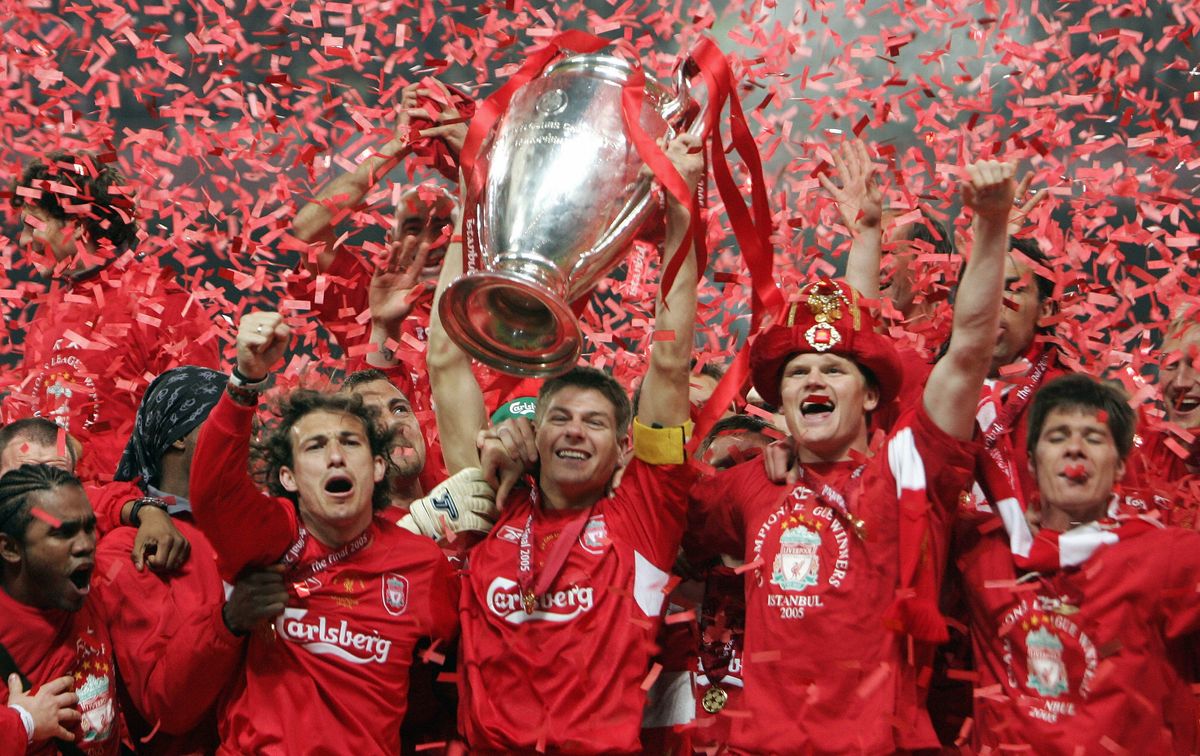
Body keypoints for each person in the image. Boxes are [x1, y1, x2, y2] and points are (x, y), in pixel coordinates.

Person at [688, 159, 1017, 752]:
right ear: (781, 401)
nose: (814, 379)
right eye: (798, 373)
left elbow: (968, 351)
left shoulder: (909, 472)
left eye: (832, 371)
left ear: (869, 396)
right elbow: (652, 491)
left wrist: (992, 225)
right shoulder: (750, 485)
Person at [427, 133, 703, 752]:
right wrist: (476, 204)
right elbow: (446, 357)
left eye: (597, 422)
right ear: (536, 428)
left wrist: (683, 207)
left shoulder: (644, 517)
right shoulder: (489, 500)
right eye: (561, 418)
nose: (575, 430)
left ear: (626, 449)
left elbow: (671, 365)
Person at [189, 311, 460, 755]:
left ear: (376, 468)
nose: (335, 456)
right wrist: (244, 382)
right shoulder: (274, 538)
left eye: (351, 443)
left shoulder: (423, 565)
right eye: (315, 446)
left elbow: (475, 650)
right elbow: (214, 495)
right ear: (289, 476)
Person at [957, 373, 1200, 752]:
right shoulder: (984, 550)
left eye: (1093, 438)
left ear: (1120, 467)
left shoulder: (1170, 557)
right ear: (1033, 463)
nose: (1075, 449)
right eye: (1057, 437)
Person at [6, 151, 224, 482]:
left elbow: (194, 438)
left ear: (76, 227)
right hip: (43, 510)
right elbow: (29, 409)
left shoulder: (168, 307)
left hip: (126, 519)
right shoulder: (52, 304)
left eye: (31, 225)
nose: (23, 240)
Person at [98, 366, 280, 754]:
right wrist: (229, 620)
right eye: (225, 417)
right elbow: (166, 707)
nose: (246, 432)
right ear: (178, 436)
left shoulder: (270, 525)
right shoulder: (128, 548)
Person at [0, 464, 122, 754]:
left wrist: (146, 508)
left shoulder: (88, 587)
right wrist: (22, 724)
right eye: (62, 533)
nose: (85, 545)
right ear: (10, 549)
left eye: (89, 528)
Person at [0, 418, 188, 572]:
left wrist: (150, 512)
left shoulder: (79, 502)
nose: (39, 490)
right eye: (23, 474)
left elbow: (113, 500)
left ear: (74, 480)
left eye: (55, 475)